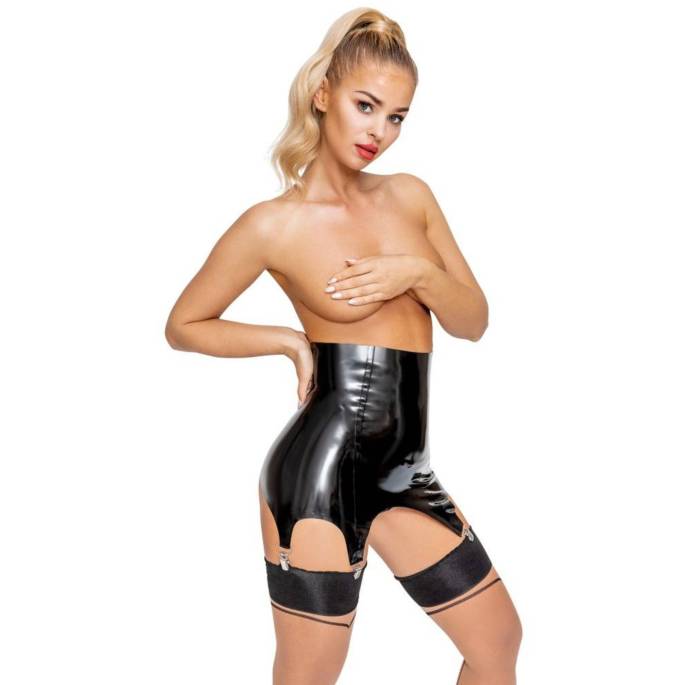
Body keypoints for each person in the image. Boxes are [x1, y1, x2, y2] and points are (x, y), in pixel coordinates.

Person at [165, 7, 522, 684]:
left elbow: (472, 320)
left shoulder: (411, 197)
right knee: (311, 675)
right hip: (319, 473)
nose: (379, 131)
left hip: (406, 470)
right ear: (323, 93)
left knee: (497, 640)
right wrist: (288, 342)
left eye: (396, 116)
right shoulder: (273, 225)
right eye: (366, 106)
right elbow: (184, 323)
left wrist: (416, 273)